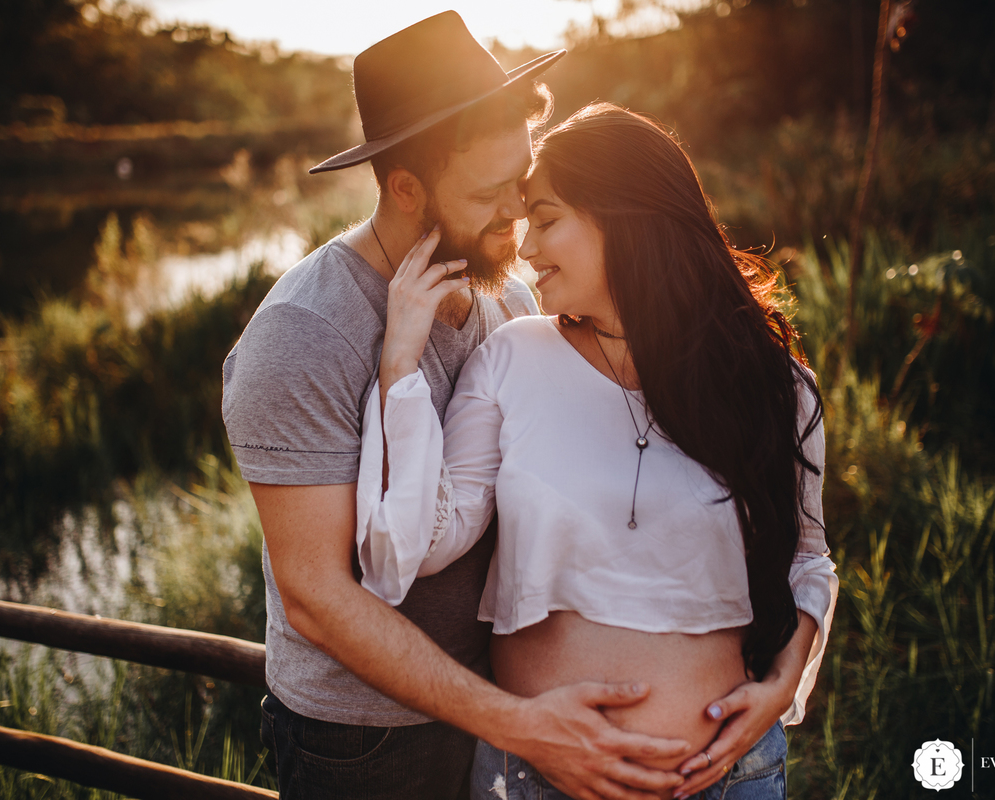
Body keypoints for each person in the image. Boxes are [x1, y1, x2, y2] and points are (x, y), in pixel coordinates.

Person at [222, 14, 697, 800]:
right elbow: (316, 597)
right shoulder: (303, 335)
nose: (519, 209)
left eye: (521, 176)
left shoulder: (509, 293)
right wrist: (512, 721)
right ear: (405, 187)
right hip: (367, 744)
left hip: (503, 713)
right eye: (487, 192)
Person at [356, 104, 838, 800]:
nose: (523, 248)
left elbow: (807, 555)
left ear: (627, 219)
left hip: (731, 779)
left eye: (546, 219)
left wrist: (781, 687)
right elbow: (416, 544)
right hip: (540, 782)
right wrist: (400, 359)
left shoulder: (771, 383)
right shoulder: (513, 358)